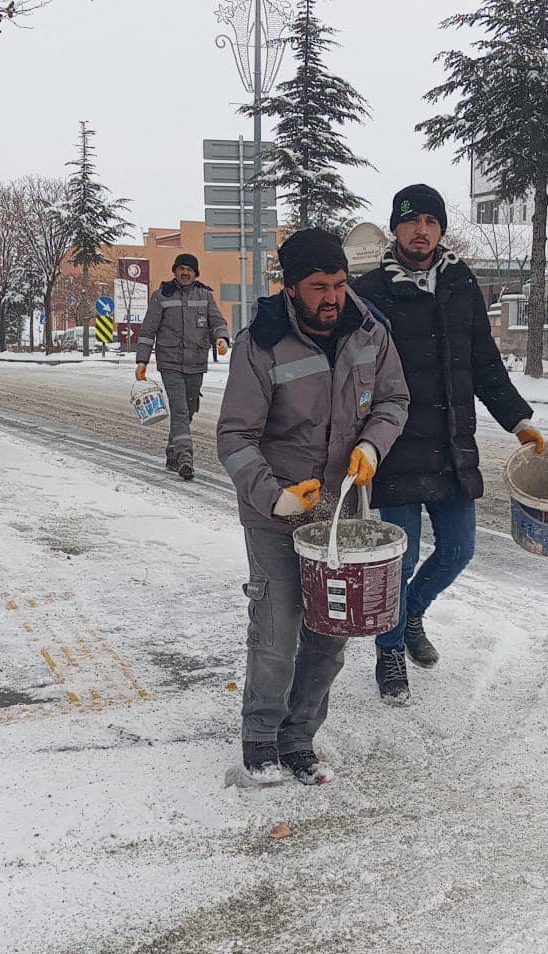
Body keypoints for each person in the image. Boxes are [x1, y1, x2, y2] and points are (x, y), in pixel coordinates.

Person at [216, 229, 410, 785]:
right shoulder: (261, 344)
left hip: (340, 512)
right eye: (319, 286)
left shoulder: (371, 332)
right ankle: (260, 740)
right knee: (278, 627)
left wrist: (372, 445)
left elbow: (394, 398)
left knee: (331, 630)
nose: (332, 298)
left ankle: (298, 737)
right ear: (292, 287)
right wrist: (275, 495)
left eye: (340, 284)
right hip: (275, 511)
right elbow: (233, 438)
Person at [352, 185, 545, 707]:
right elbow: (352, 372)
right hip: (393, 446)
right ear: (395, 229)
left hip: (452, 444)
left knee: (460, 549)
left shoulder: (461, 285)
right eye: (411, 222)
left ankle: (410, 612)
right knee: (401, 555)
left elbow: (484, 362)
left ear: (441, 229)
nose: (422, 231)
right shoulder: (369, 290)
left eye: (431, 222)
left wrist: (517, 419)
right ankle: (388, 650)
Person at [135, 253, 230, 481]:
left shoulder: (205, 296)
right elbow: (148, 332)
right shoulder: (161, 297)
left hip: (196, 362)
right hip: (170, 363)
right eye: (181, 269)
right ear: (175, 271)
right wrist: (142, 361)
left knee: (189, 410)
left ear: (196, 274)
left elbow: (217, 322)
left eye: (189, 269)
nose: (185, 273)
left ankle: (172, 451)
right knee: (179, 410)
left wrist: (222, 338)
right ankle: (185, 459)